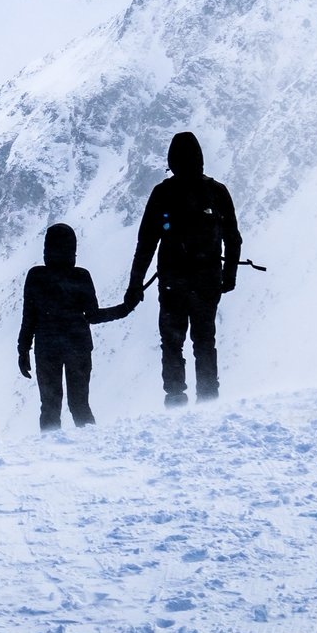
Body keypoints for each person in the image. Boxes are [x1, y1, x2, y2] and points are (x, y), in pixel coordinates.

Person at [124, 131, 241, 406]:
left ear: (172, 161)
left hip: (172, 281)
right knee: (205, 340)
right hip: (207, 279)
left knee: (172, 341)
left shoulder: (163, 193)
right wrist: (229, 275)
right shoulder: (217, 191)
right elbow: (233, 238)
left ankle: (175, 398)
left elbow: (146, 243)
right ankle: (209, 398)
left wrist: (135, 284)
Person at [18, 222, 135, 430]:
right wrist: (124, 309)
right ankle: (90, 445)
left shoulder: (36, 276)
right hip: (78, 346)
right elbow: (93, 316)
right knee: (80, 405)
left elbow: (29, 317)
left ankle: (49, 448)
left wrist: (23, 349)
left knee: (50, 407)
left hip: (47, 348)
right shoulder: (81, 276)